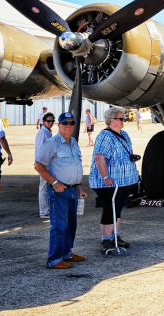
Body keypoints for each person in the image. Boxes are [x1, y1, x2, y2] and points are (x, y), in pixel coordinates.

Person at [34, 111, 87, 269]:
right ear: (59, 125)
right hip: (59, 191)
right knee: (59, 225)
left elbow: (74, 166)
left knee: (71, 225)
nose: (68, 126)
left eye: (71, 123)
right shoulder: (53, 143)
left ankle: (66, 253)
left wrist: (79, 187)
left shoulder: (73, 142)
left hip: (72, 190)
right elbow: (38, 165)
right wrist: (54, 182)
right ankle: (54, 259)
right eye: (65, 123)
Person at [90, 106, 140, 253]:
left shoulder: (123, 134)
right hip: (109, 183)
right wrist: (105, 177)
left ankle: (116, 237)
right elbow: (99, 157)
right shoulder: (105, 136)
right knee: (109, 209)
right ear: (112, 120)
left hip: (124, 182)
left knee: (117, 208)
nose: (124, 120)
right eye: (121, 118)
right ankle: (106, 240)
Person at [35, 112, 55, 219]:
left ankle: (46, 209)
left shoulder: (47, 132)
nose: (50, 123)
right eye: (48, 121)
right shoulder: (43, 132)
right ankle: (43, 211)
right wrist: (39, 164)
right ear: (43, 121)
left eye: (52, 121)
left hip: (47, 163)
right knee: (43, 187)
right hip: (43, 164)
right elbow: (39, 148)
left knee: (46, 187)